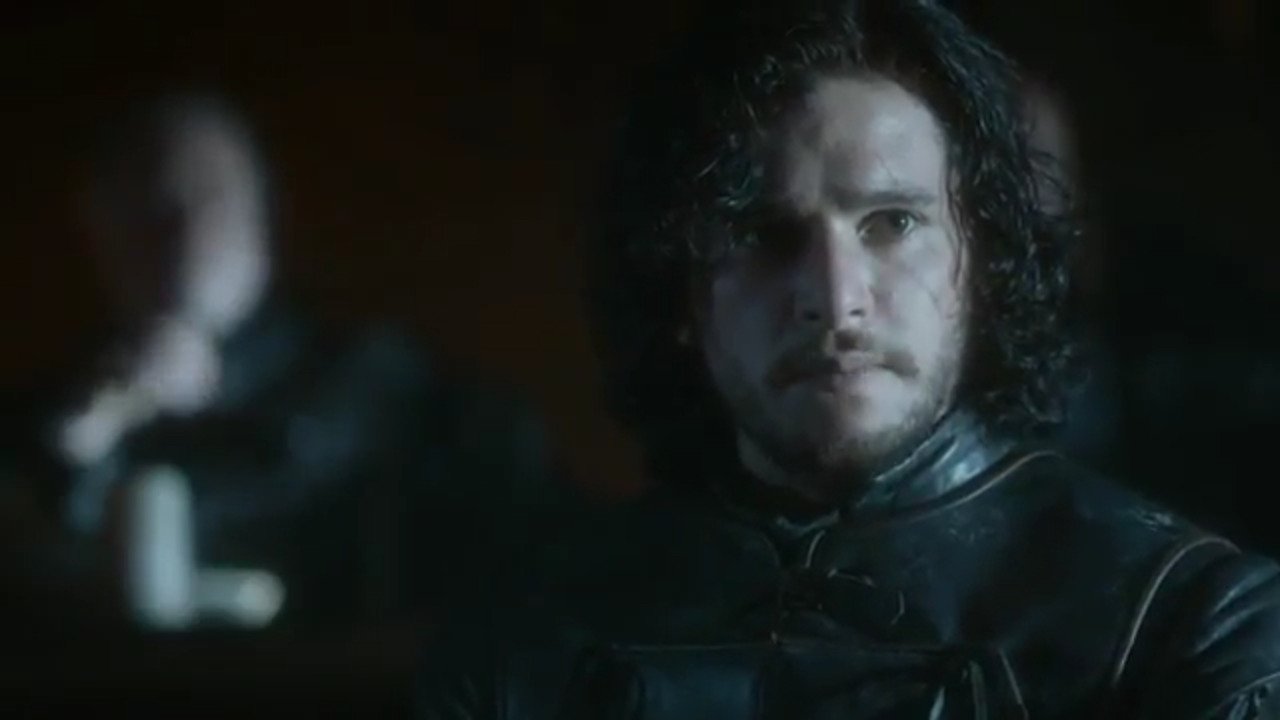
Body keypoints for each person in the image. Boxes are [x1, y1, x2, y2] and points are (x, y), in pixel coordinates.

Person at [414, 0, 1280, 717]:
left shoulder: (1186, 623)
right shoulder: (519, 648)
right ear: (680, 290)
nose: (835, 297)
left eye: (892, 223)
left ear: (977, 261)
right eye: (763, 232)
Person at [0, 94, 573, 631]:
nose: (182, 231)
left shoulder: (380, 383)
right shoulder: (55, 422)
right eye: (147, 207)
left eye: (210, 198)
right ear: (99, 227)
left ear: (262, 216)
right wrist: (75, 446)